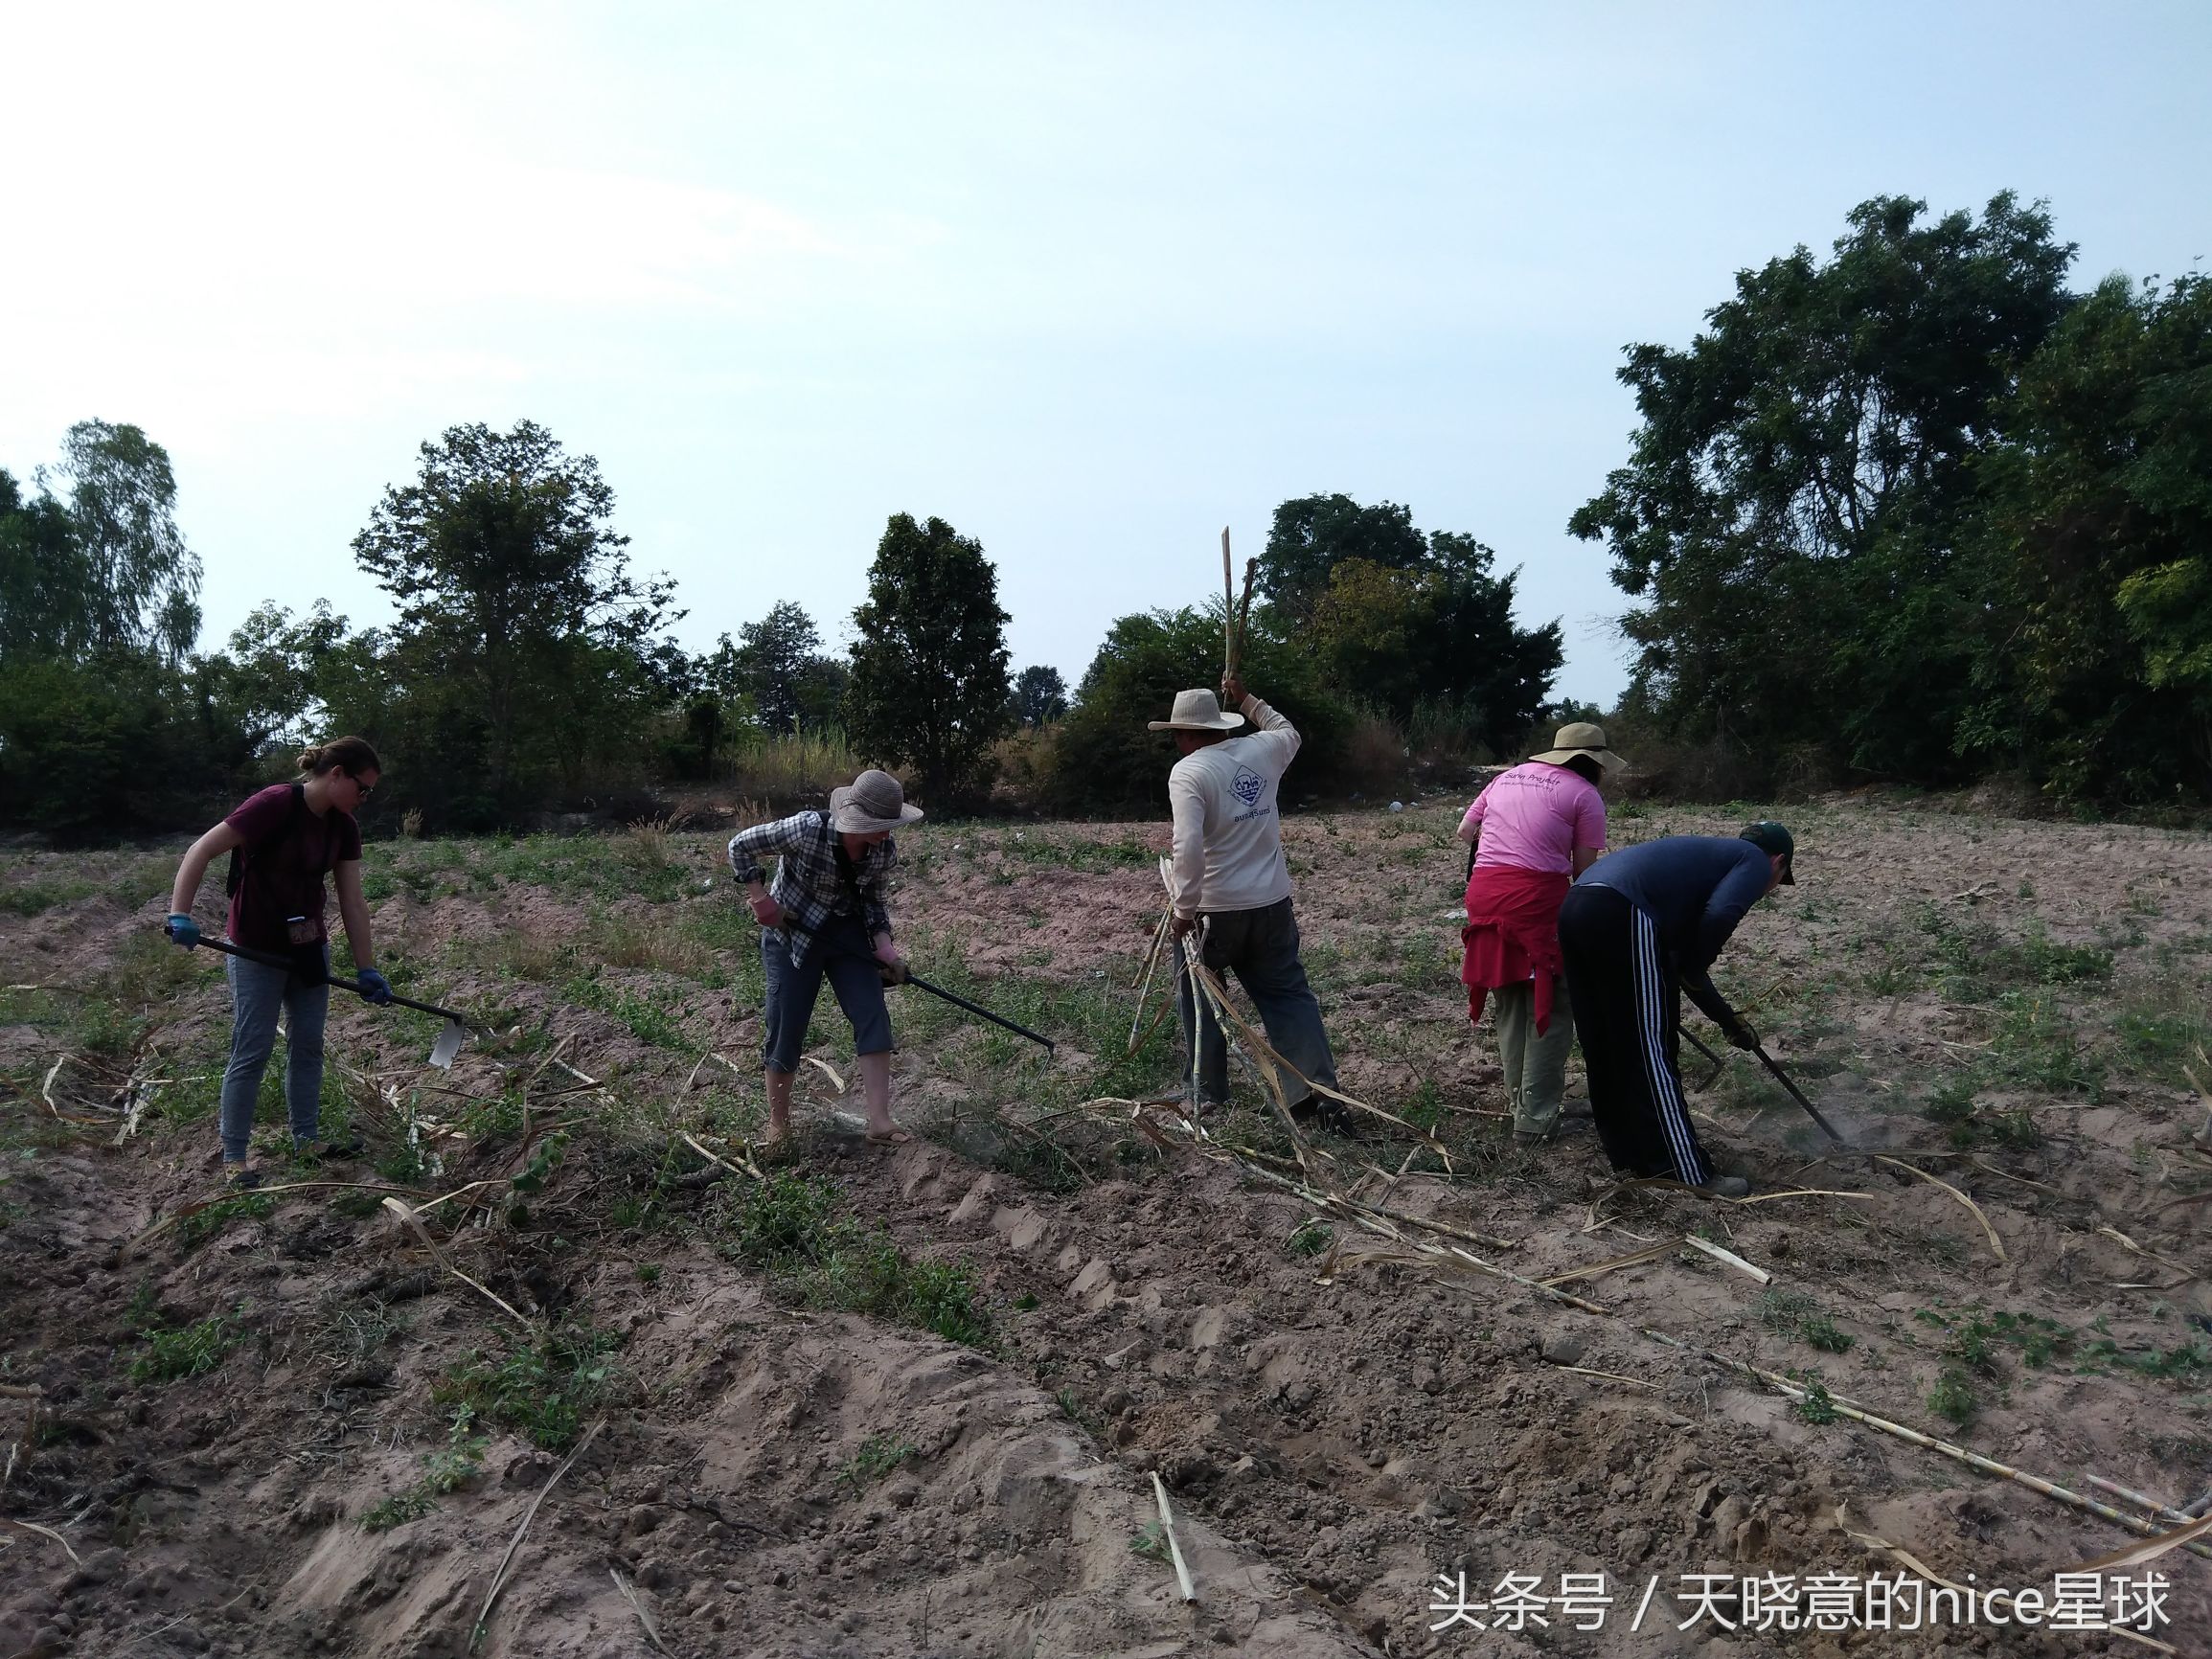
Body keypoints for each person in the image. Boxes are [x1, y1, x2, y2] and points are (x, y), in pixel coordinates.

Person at [165, 738, 391, 1188]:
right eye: (362, 789)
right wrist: (179, 913)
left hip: (307, 946)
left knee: (307, 1045)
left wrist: (366, 967)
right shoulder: (274, 803)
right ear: (337, 774)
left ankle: (306, 1140)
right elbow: (201, 850)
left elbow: (353, 901)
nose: (364, 800)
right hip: (255, 948)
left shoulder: (343, 827)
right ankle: (235, 1157)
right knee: (253, 1048)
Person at [1556, 822, 1797, 1198]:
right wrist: (1692, 966)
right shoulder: (1752, 860)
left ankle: (1629, 1157)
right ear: (1778, 862)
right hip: (1624, 910)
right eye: (1779, 880)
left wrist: (1726, 1018)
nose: (1768, 890)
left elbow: (1687, 967)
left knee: (1605, 1040)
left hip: (1579, 904)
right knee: (1651, 1049)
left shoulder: (1696, 868)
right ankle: (1686, 1171)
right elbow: (1717, 920)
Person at [1158, 672, 1344, 1128]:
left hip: (1215, 912)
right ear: (1222, 725)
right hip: (1272, 904)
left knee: (1201, 996)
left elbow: (1187, 848)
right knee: (1288, 997)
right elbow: (1288, 731)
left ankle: (1206, 1094)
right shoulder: (1263, 749)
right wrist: (1249, 700)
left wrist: (1183, 911)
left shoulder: (1189, 772)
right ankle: (1319, 1097)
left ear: (1184, 736)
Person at [728, 768, 920, 1148]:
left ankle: (879, 1121)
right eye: (880, 824)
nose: (887, 832)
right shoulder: (805, 830)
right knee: (787, 1022)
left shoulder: (883, 849)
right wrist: (760, 900)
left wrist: (885, 949)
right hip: (792, 934)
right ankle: (779, 1125)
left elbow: (874, 902)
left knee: (872, 1013)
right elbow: (739, 845)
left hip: (847, 933)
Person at [1457, 721, 1623, 1146]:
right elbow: (1585, 871)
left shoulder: (1504, 778)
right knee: (1552, 1002)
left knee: (1511, 999)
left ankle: (1523, 1105)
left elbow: (1464, 832)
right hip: (1534, 901)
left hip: (1485, 894)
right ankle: (1536, 1119)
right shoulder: (1584, 794)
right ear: (1594, 763)